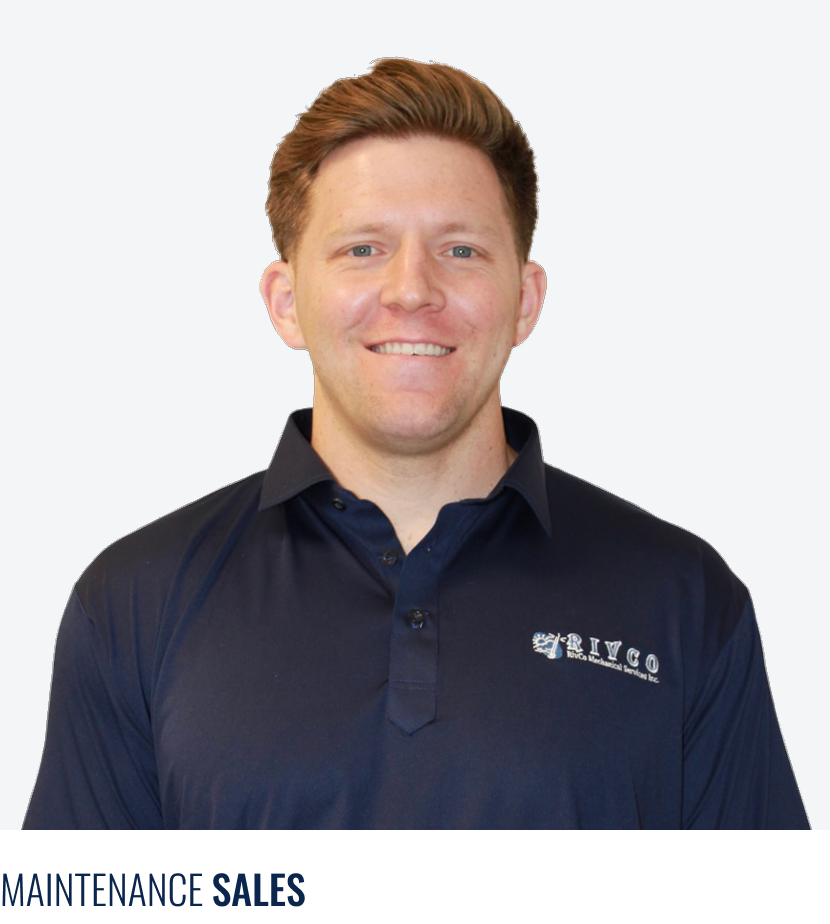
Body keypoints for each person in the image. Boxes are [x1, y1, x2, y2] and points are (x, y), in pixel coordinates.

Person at [24, 58, 808, 829]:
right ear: (287, 302)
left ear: (525, 300)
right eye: (363, 249)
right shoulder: (134, 603)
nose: (411, 290)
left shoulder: (685, 600)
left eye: (460, 250)